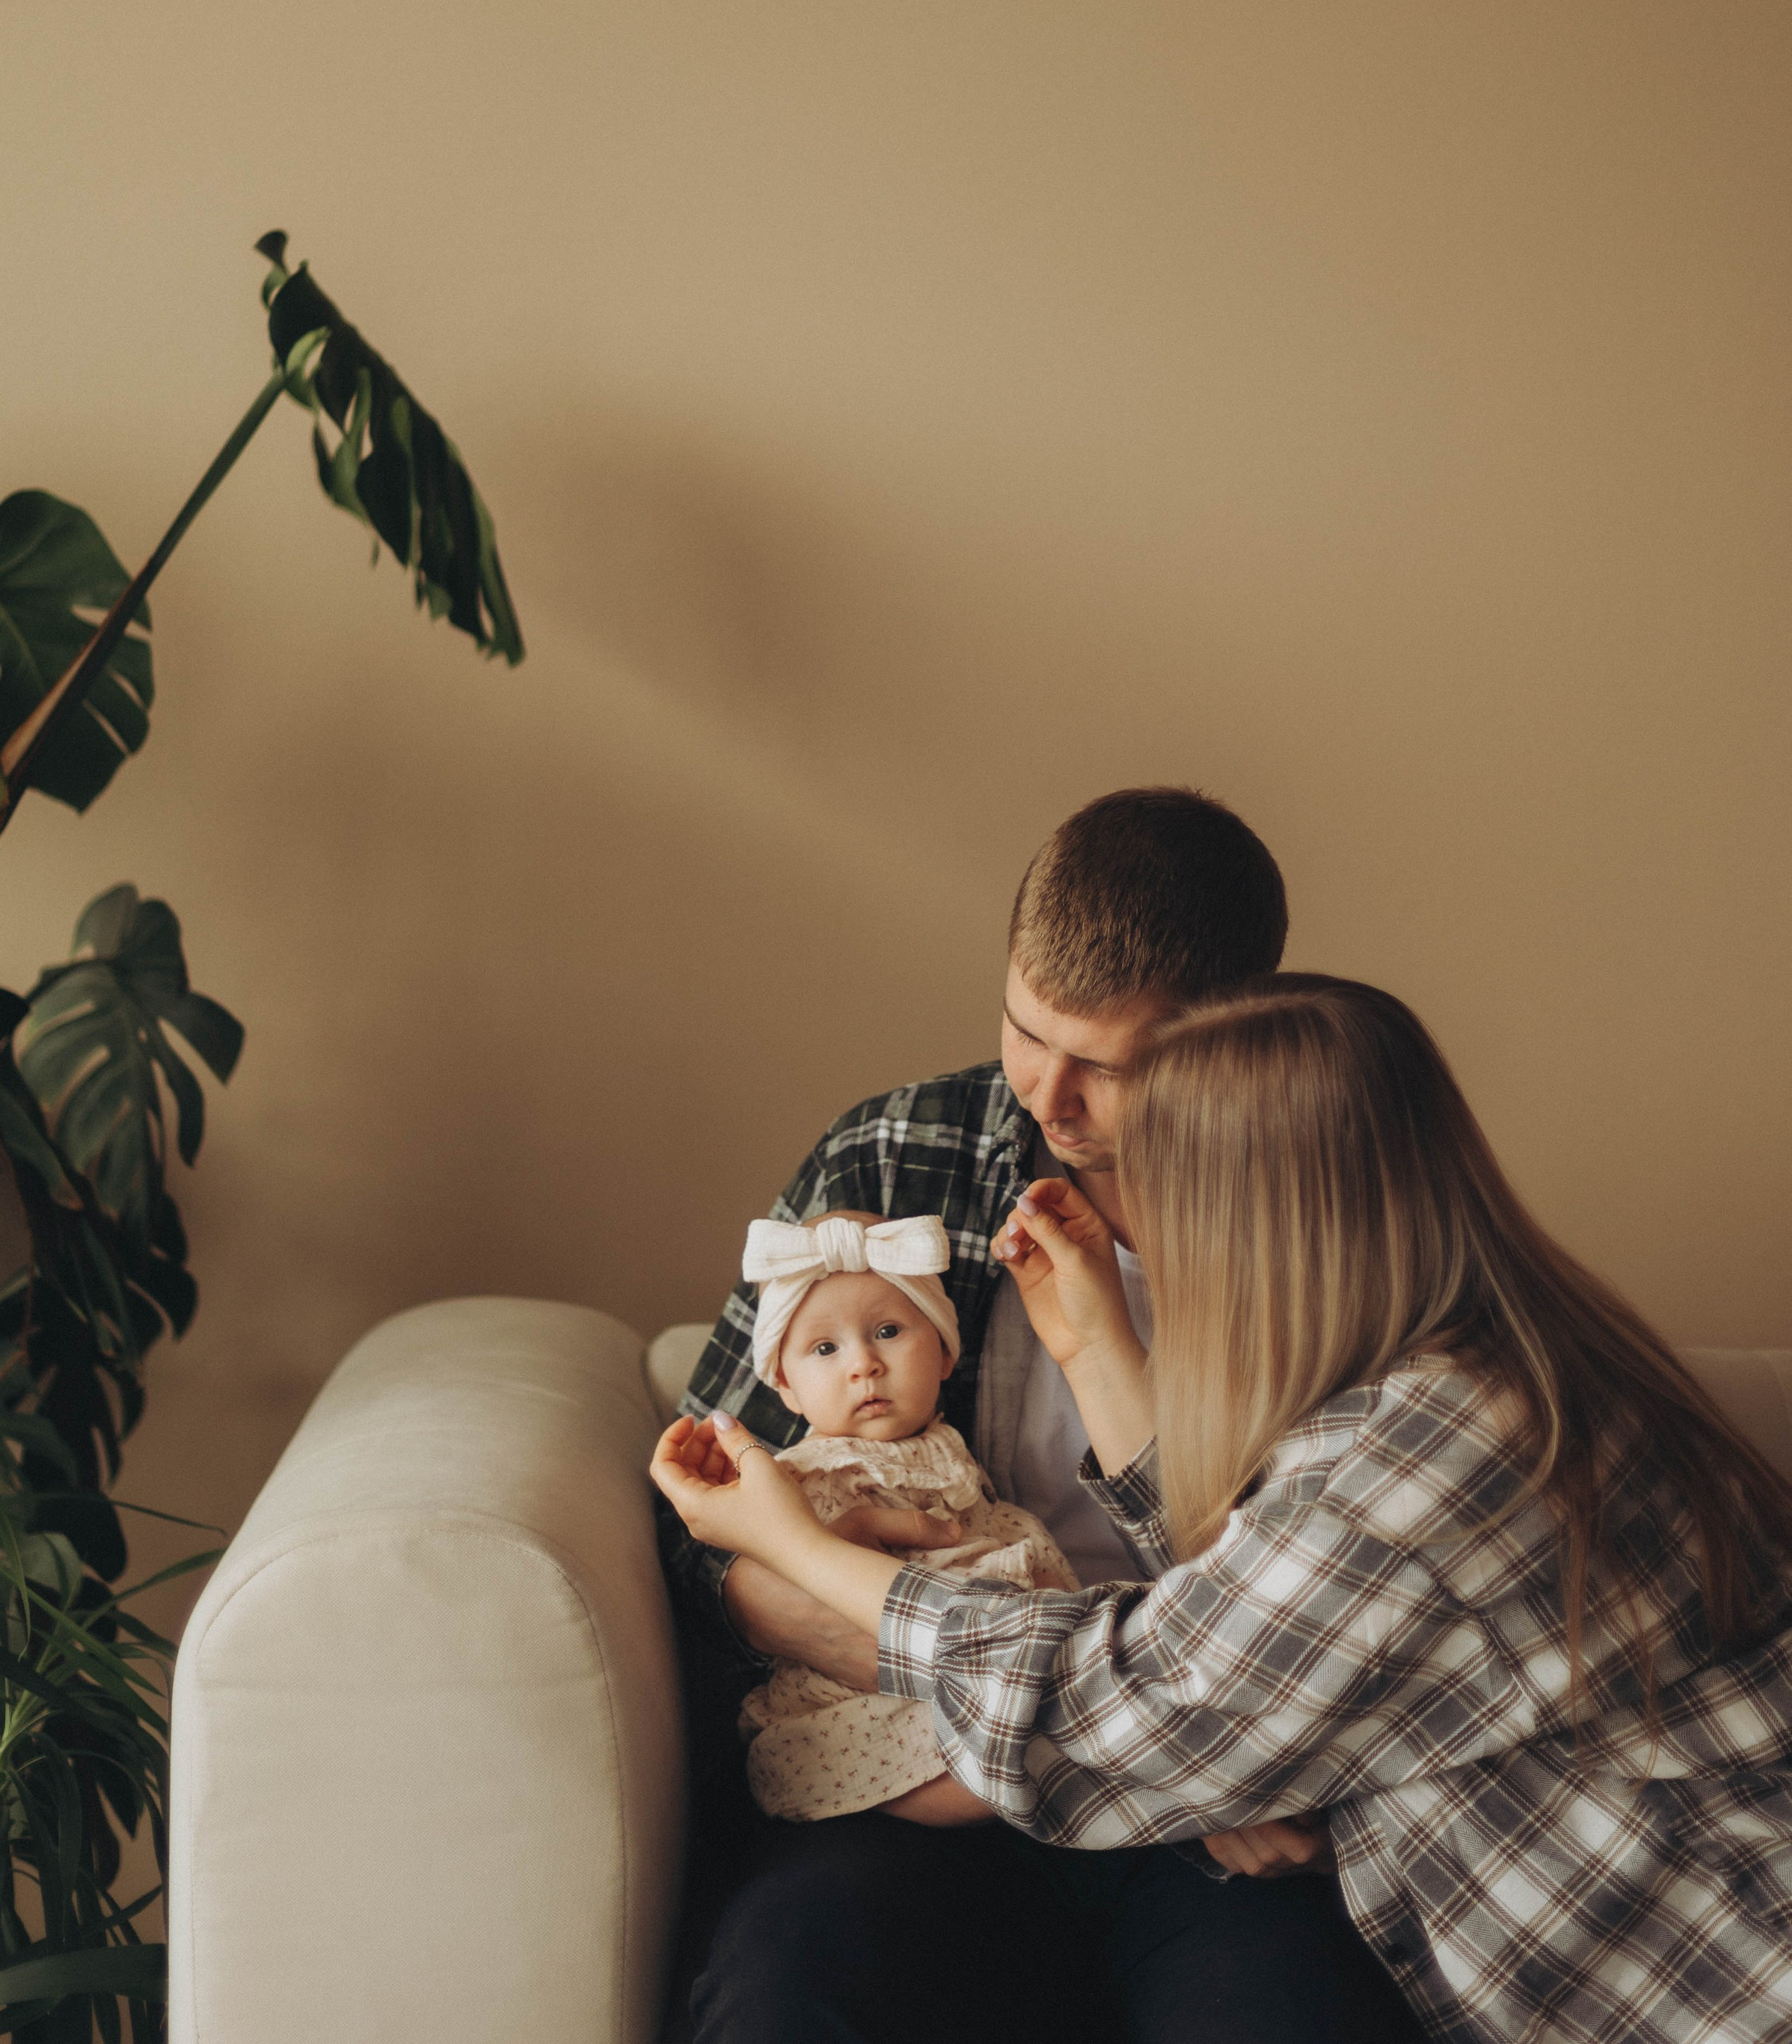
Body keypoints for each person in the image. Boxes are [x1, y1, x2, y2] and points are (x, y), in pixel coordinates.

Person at [655, 976, 1792, 2044]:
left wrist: (791, 1542)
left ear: (1262, 1218)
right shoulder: (1498, 1365)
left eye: (1163, 1192)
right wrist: (1103, 1352)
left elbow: (1109, 1703)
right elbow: (1257, 1585)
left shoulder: (1422, 1463)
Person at [661, 789, 1426, 2043]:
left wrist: (1181, 1757)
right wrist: (1035, 1714)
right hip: (910, 1770)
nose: (1050, 1099)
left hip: (1208, 1808)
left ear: (1233, 1036)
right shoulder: (896, 1163)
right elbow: (704, 1543)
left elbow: (1343, 1602)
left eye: (1109, 1067)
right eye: (1027, 1032)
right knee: (785, 1979)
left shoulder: (1314, 1226)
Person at [735, 1208, 1078, 1829]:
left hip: (982, 1645)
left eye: (888, 1330)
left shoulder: (956, 1451)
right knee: (981, 1758)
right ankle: (995, 1788)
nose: (863, 1363)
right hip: (866, 1680)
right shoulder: (797, 1477)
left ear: (945, 1353)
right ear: (785, 1385)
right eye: (825, 1347)